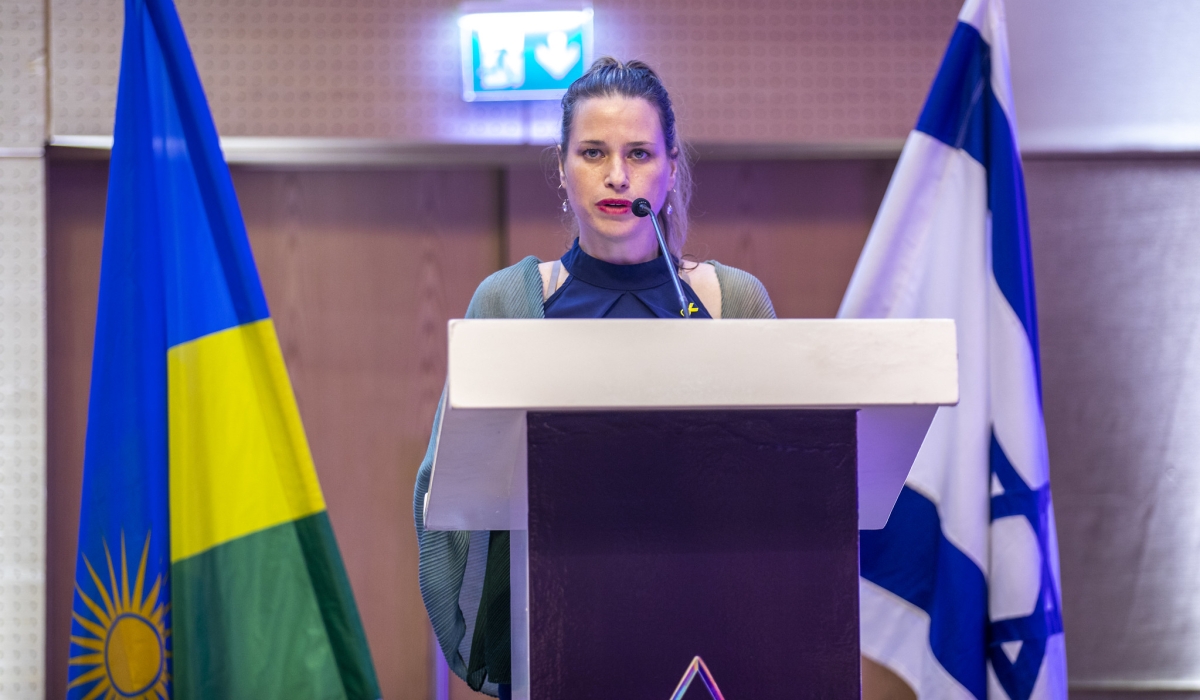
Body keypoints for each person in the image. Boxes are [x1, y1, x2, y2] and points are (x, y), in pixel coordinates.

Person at [412, 57, 776, 698]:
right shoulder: (509, 301)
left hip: (714, 640)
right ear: (561, 167)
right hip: (557, 632)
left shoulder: (732, 302)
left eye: (639, 153)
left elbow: (787, 484)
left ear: (669, 167)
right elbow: (448, 492)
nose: (616, 175)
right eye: (592, 152)